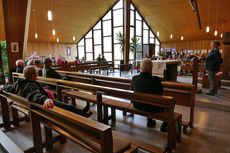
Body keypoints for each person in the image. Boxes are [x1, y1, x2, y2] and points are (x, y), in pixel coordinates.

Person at [0, 65, 92, 117]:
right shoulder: (30, 85)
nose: (37, 75)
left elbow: (11, 88)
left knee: (66, 105)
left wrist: (4, 87)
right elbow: (34, 94)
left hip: (38, 105)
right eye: (36, 73)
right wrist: (45, 99)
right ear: (33, 76)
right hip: (44, 107)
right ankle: (82, 114)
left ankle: (82, 112)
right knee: (67, 106)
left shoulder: (19, 83)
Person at [132, 59, 168, 132]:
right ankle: (165, 125)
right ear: (151, 68)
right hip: (153, 108)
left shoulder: (134, 78)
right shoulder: (156, 80)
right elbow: (161, 92)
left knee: (148, 99)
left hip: (137, 105)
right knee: (171, 102)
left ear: (141, 67)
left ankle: (150, 121)